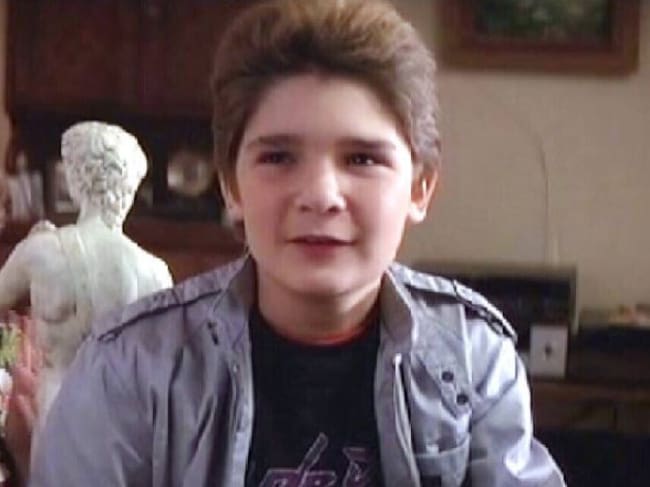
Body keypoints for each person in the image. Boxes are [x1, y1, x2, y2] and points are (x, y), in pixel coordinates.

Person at [30, 1, 565, 486]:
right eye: (278, 157)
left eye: (362, 159)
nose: (321, 196)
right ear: (232, 187)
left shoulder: (472, 360)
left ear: (420, 188)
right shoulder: (129, 368)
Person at [0, 121, 173, 479]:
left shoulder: (43, 251)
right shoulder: (155, 272)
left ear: (75, 180)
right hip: (123, 423)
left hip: (58, 408)